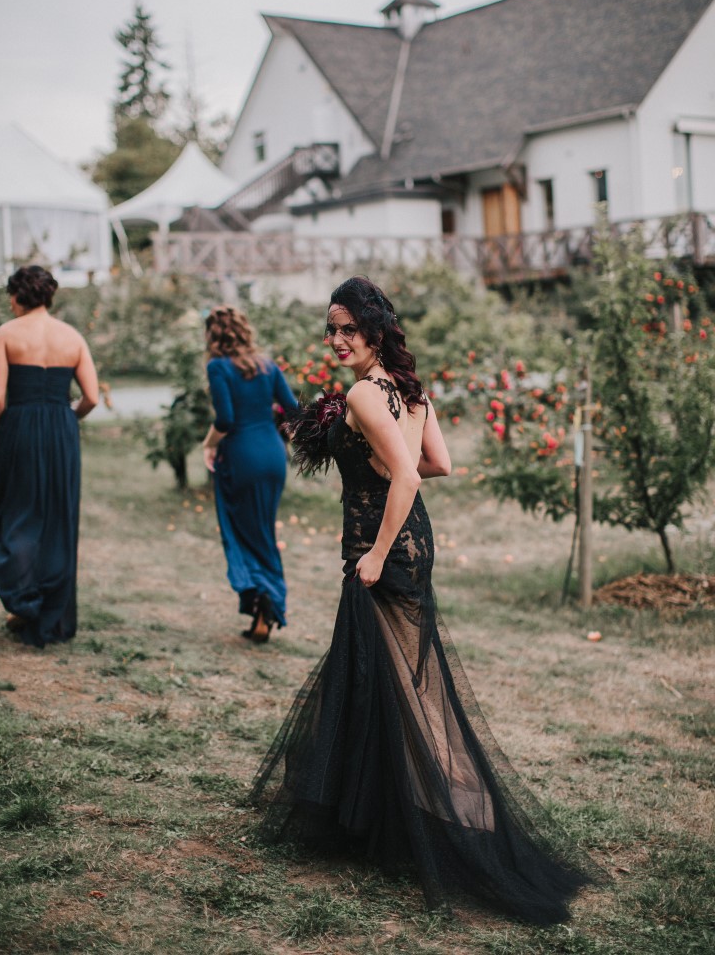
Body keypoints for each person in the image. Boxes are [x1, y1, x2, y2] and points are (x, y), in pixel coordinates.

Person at [251, 276, 604, 923]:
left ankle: (456, 815)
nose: (335, 340)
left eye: (346, 330)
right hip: (410, 540)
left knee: (409, 684)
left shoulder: (363, 392)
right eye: (330, 329)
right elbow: (437, 463)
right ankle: (382, 813)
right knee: (389, 675)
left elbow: (412, 473)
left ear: (374, 332)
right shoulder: (408, 391)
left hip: (381, 549)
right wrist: (386, 471)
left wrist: (377, 553)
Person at [0, 265, 99, 647]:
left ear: (18, 296)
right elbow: (91, 397)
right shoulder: (72, 337)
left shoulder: (5, 333)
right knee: (57, 516)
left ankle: (22, 599)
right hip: (61, 429)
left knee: (15, 511)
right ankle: (49, 610)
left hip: (18, 427)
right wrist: (64, 417)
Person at [202, 306, 298, 642]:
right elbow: (293, 409)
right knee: (263, 531)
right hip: (272, 456)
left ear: (212, 335)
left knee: (244, 532)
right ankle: (264, 606)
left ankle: (263, 596)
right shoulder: (267, 365)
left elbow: (225, 420)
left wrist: (207, 444)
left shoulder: (217, 367)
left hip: (241, 456)